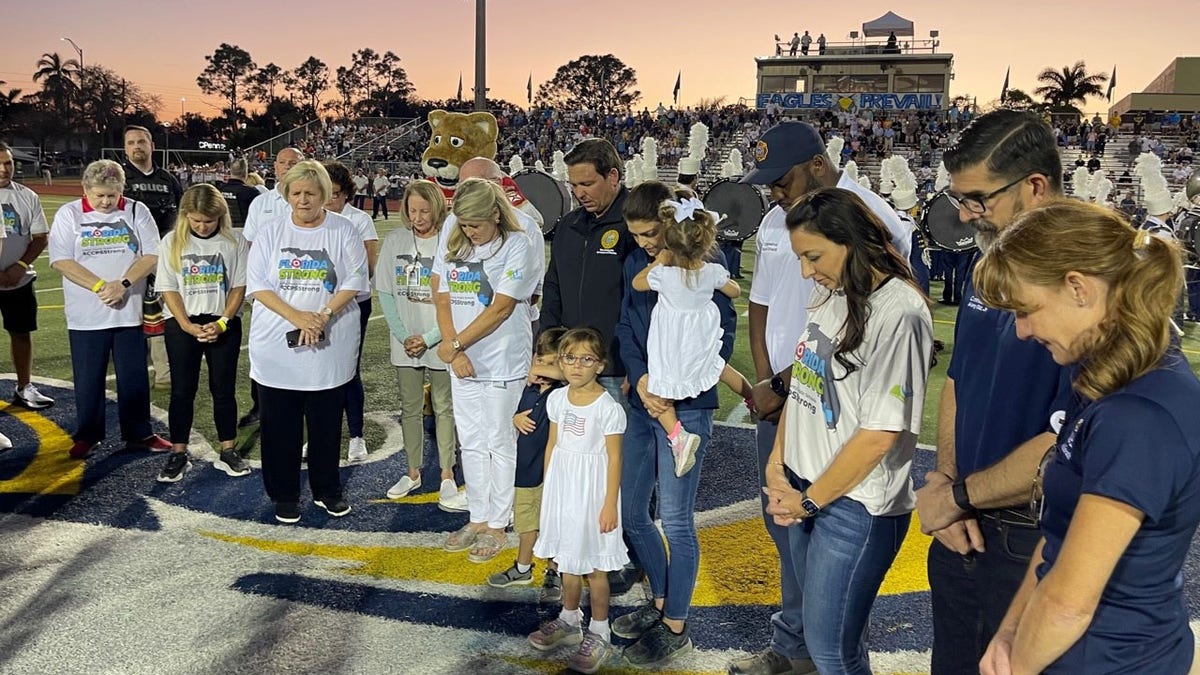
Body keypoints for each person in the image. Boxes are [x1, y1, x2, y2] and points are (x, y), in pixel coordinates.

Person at [973, 200, 1200, 674]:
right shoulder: (1104, 376)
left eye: (1027, 310)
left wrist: (1021, 663)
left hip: (1112, 659)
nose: (1022, 330)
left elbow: (1068, 603)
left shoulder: (1138, 413)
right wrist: (1011, 632)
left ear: (1077, 287)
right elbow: (1060, 534)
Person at [732, 119, 910, 675]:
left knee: (838, 631)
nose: (773, 193)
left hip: (847, 437)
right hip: (792, 408)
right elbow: (769, 311)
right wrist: (770, 387)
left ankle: (812, 645)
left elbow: (880, 418)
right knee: (789, 542)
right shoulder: (807, 264)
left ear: (816, 165)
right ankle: (795, 645)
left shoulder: (870, 228)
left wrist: (809, 497)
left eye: (780, 180)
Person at [912, 109, 1072, 675]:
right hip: (965, 526)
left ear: (1034, 186)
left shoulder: (1093, 285)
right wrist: (948, 486)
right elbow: (960, 380)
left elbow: (1070, 442)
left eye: (979, 198)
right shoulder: (989, 266)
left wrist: (956, 498)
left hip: (1035, 538)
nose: (964, 214)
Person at [763, 187, 932, 674]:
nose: (805, 271)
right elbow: (803, 388)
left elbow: (880, 434)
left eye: (812, 256)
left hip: (855, 507)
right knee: (827, 645)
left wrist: (810, 499)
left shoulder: (900, 311)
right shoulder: (829, 293)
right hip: (806, 489)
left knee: (833, 650)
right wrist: (779, 466)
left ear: (851, 240)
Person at [611, 181, 736, 666]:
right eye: (635, 234)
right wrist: (642, 380)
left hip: (687, 405)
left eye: (649, 233)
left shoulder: (705, 269)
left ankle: (677, 625)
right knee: (633, 513)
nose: (643, 243)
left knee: (678, 522)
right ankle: (661, 601)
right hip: (645, 401)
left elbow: (720, 337)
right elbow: (626, 325)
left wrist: (675, 389)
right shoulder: (638, 265)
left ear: (672, 224)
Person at [245, 160, 369, 524]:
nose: (303, 200)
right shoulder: (269, 232)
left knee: (326, 425)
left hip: (330, 344)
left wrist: (322, 316)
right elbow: (258, 286)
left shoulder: (344, 230)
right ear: (287, 195)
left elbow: (355, 281)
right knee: (278, 426)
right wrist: (299, 317)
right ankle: (284, 494)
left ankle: (326, 489)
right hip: (277, 347)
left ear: (324, 195)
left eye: (311, 193)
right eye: (296, 193)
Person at [432, 178, 538, 563]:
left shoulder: (517, 244)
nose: (469, 231)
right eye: (463, 223)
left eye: (475, 224)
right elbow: (441, 294)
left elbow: (501, 308)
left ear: (495, 213)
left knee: (499, 441)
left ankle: (499, 523)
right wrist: (452, 347)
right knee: (471, 441)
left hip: (502, 360)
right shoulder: (457, 240)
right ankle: (478, 516)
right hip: (462, 361)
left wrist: (456, 345)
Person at [48, 160, 170, 459]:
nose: (105, 202)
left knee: (133, 377)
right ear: (85, 189)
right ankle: (88, 435)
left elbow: (153, 254)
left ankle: (140, 433)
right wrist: (101, 286)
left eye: (111, 196)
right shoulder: (69, 214)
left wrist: (124, 284)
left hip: (128, 311)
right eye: (99, 195)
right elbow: (61, 260)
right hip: (86, 315)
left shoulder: (136, 211)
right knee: (88, 379)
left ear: (121, 190)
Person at [527, 326, 628, 675]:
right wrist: (548, 490)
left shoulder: (608, 407)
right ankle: (569, 620)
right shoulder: (556, 399)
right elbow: (553, 446)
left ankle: (600, 631)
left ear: (600, 365)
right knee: (567, 562)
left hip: (593, 494)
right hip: (563, 490)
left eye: (586, 359)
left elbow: (614, 459)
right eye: (570, 358)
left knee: (595, 568)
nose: (577, 366)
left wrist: (608, 504)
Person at [630, 195, 752, 476]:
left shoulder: (664, 275)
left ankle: (678, 437)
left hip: (672, 342)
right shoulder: (712, 271)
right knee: (717, 366)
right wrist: (724, 282)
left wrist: (659, 261)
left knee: (658, 394)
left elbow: (638, 284)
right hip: (700, 336)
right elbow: (734, 290)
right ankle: (752, 396)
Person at [376, 179, 465, 511]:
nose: (418, 217)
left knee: (445, 408)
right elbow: (385, 291)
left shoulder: (449, 241)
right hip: (405, 340)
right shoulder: (396, 240)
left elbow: (455, 296)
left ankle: (446, 473)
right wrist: (403, 336)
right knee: (409, 409)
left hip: (439, 339)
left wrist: (429, 338)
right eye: (412, 210)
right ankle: (412, 472)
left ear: (438, 207)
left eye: (424, 210)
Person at [154, 184, 251, 482]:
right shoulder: (172, 242)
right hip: (183, 324)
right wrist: (185, 324)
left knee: (223, 390)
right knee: (182, 391)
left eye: (208, 220)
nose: (202, 226)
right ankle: (178, 452)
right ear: (186, 216)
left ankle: (228, 449)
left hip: (222, 323)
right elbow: (168, 288)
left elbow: (239, 286)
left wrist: (222, 322)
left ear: (220, 215)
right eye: (196, 220)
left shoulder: (235, 241)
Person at [487, 327, 566, 595]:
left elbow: (567, 377)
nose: (542, 367)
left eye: (551, 362)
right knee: (525, 524)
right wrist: (515, 418)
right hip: (526, 471)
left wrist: (546, 372)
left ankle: (554, 571)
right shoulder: (531, 389)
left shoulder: (563, 393)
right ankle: (522, 567)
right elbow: (521, 412)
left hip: (552, 474)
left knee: (553, 524)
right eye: (539, 360)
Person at [239, 146, 303, 428]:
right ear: (274, 167)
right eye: (283, 162)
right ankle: (260, 405)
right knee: (263, 348)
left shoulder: (308, 199)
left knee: (301, 350)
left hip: (301, 288)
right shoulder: (260, 203)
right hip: (267, 292)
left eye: (294, 163)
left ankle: (300, 403)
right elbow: (251, 245)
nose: (287, 167)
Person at [323, 161, 380, 463]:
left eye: (334, 194)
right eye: (325, 193)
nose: (329, 200)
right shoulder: (311, 221)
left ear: (346, 193)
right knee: (319, 371)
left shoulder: (359, 221)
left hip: (354, 304)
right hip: (317, 307)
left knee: (349, 369)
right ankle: (322, 433)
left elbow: (368, 267)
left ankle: (356, 436)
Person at [123, 125, 183, 390]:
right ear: (125, 148)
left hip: (163, 254)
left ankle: (164, 370)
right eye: (131, 143)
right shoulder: (120, 178)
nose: (137, 147)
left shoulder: (169, 180)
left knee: (164, 310)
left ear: (152, 145)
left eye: (142, 141)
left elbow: (181, 215)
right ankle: (131, 366)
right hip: (128, 256)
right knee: (129, 313)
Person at [0, 142, 55, 416]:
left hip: (18, 279)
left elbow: (40, 237)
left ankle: (25, 386)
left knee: (21, 332)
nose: (3, 169)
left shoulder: (27, 196)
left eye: (8, 163)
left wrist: (20, 266)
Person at [213, 158, 260, 229]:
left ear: (230, 171)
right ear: (246, 172)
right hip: (245, 232)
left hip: (223, 230)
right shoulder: (252, 192)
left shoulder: (218, 191)